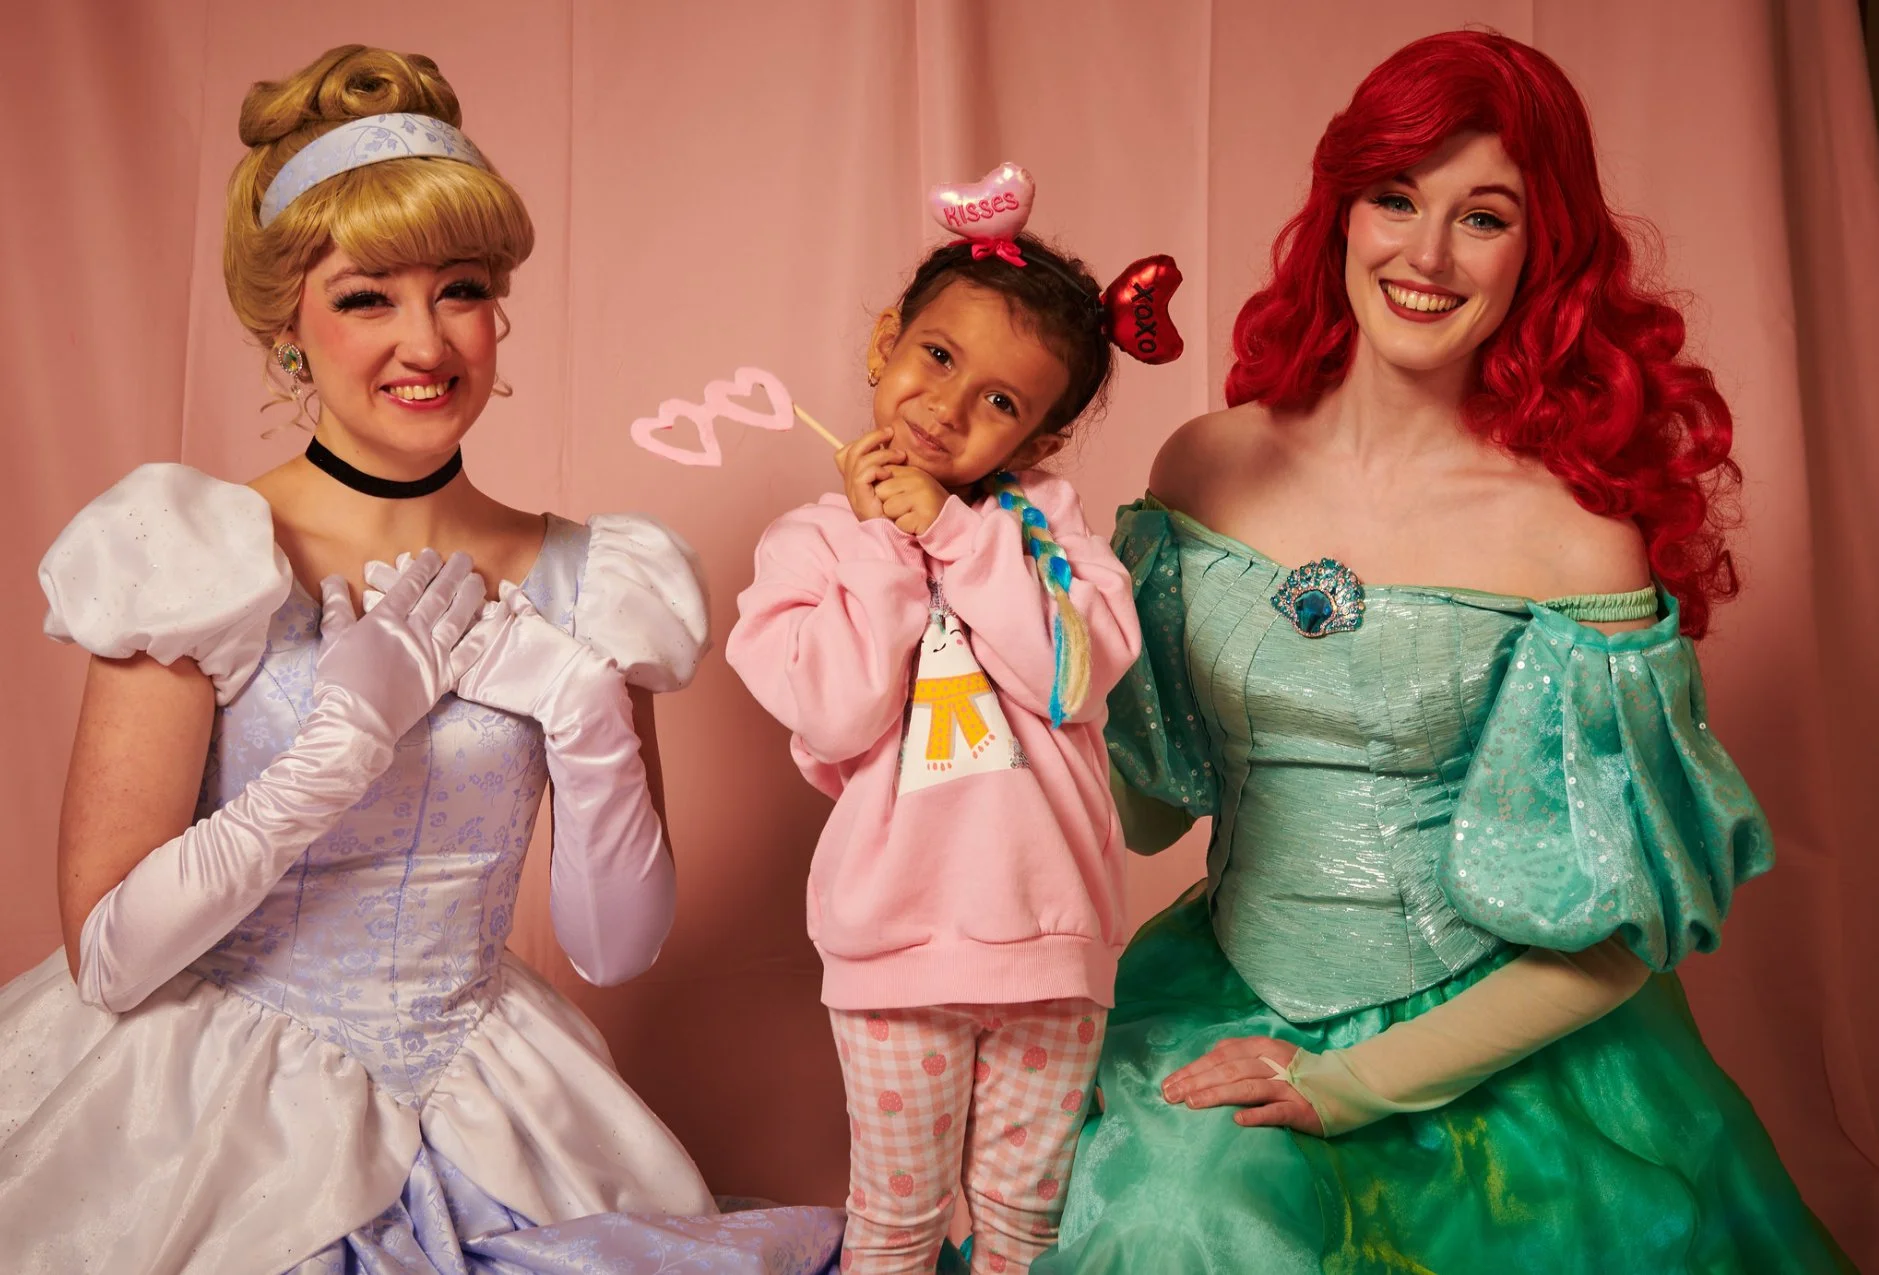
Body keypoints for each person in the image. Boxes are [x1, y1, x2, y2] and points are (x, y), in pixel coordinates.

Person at [0, 44, 841, 1274]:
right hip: (208, 1111)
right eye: (364, 297)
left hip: (495, 1088)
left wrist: (583, 712)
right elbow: (115, 958)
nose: (426, 342)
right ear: (285, 326)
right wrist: (336, 752)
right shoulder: (195, 557)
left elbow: (615, 950)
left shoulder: (592, 579)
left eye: (459, 288)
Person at [1037, 30, 1854, 1274]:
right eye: (1394, 199)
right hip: (1222, 997)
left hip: (1500, 1055)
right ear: (1340, 215)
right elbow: (1144, 809)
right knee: (1175, 1224)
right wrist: (982, 627)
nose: (1424, 256)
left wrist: (1348, 1084)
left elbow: (1612, 942)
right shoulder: (1202, 467)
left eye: (1483, 216)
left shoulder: (1579, 543)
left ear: (1545, 250)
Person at [726, 181, 1167, 1272]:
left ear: (1045, 435)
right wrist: (884, 546)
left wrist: (963, 542)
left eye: (1001, 403)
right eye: (935, 358)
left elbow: (1070, 676)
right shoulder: (813, 544)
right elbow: (837, 710)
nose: (949, 406)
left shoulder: (1049, 533)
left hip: (1051, 943)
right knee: (897, 1217)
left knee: (1025, 1221)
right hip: (895, 947)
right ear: (887, 343)